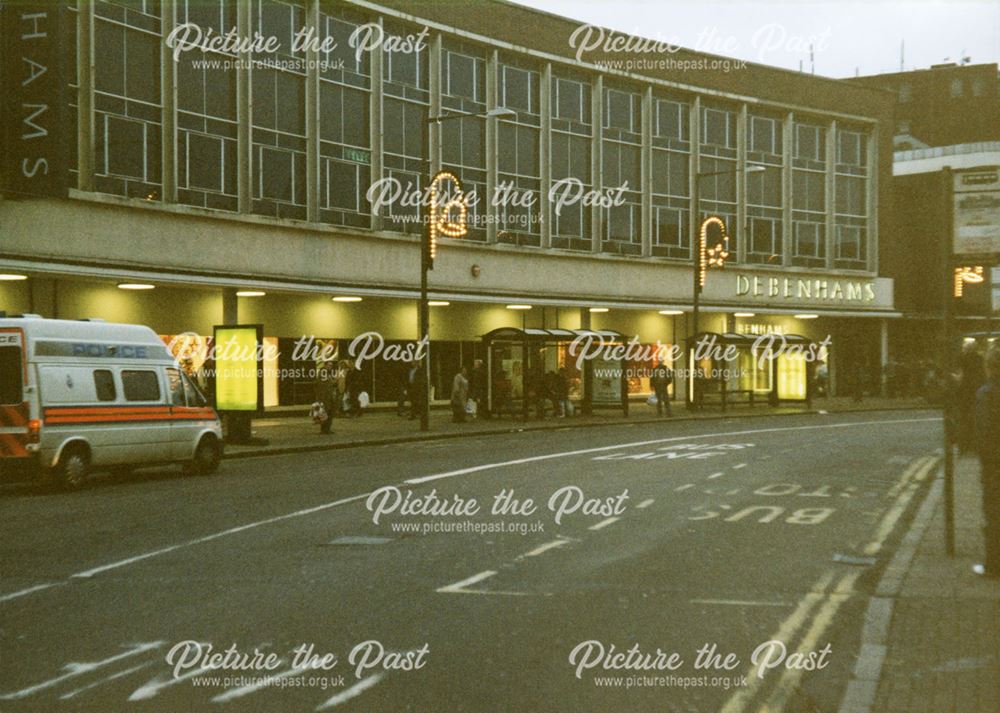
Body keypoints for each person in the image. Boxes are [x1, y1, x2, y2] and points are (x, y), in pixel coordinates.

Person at [974, 346, 1000, 578]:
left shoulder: (987, 393)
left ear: (989, 367)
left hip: (995, 464)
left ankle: (993, 566)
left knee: (994, 514)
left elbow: (983, 433)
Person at [958, 342, 985, 454]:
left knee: (965, 420)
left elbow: (961, 376)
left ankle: (965, 446)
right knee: (977, 419)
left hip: (965, 393)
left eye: (964, 348)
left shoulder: (962, 359)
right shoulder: (980, 359)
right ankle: (975, 445)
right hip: (977, 392)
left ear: (968, 350)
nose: (963, 350)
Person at [314, 361, 338, 434]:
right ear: (325, 365)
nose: (330, 367)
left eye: (331, 366)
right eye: (329, 365)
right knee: (325, 413)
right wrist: (336, 380)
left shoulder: (327, 373)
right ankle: (324, 429)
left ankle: (327, 429)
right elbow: (327, 384)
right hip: (324, 397)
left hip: (329, 397)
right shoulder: (323, 373)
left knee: (329, 413)